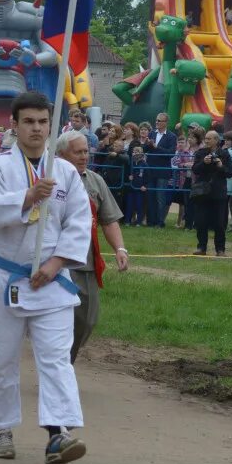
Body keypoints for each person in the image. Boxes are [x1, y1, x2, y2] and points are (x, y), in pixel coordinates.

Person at [0, 91, 91, 464]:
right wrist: (26, 197)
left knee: (56, 358)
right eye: (29, 121)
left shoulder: (67, 172)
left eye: (43, 121)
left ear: (51, 125)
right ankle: (1, 429)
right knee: (0, 358)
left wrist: (56, 264)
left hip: (52, 280)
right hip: (8, 279)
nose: (37, 128)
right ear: (15, 123)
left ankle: (59, 434)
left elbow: (79, 223)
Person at [57, 130, 129, 363]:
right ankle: (57, 365)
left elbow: (109, 219)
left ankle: (66, 362)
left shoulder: (95, 181)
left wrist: (120, 249)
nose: (84, 156)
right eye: (77, 152)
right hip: (56, 262)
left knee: (86, 320)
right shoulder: (50, 179)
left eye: (86, 151)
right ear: (61, 154)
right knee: (56, 320)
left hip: (85, 262)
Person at [192, 131, 232, 256]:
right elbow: (195, 169)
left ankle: (220, 249)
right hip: (202, 193)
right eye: (206, 138)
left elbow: (230, 173)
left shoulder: (224, 154)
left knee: (219, 223)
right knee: (201, 221)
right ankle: (201, 248)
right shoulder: (200, 153)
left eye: (209, 139)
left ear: (216, 140)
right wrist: (203, 163)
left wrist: (221, 166)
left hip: (218, 193)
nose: (207, 141)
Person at [145, 113, 177, 226]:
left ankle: (160, 222)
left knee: (160, 197)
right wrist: (147, 144)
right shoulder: (152, 133)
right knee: (150, 196)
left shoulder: (172, 136)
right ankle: (151, 221)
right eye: (156, 120)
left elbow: (171, 154)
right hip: (151, 169)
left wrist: (156, 147)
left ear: (165, 123)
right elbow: (145, 149)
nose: (157, 122)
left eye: (159, 121)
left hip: (162, 171)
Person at [126, 146, 148, 225]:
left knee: (139, 205)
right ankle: (127, 221)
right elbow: (126, 173)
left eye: (137, 151)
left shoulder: (144, 164)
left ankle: (139, 222)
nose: (135, 153)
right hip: (131, 187)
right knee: (129, 205)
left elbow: (147, 176)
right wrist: (129, 177)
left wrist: (145, 185)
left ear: (141, 153)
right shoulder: (130, 162)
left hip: (140, 188)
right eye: (134, 151)